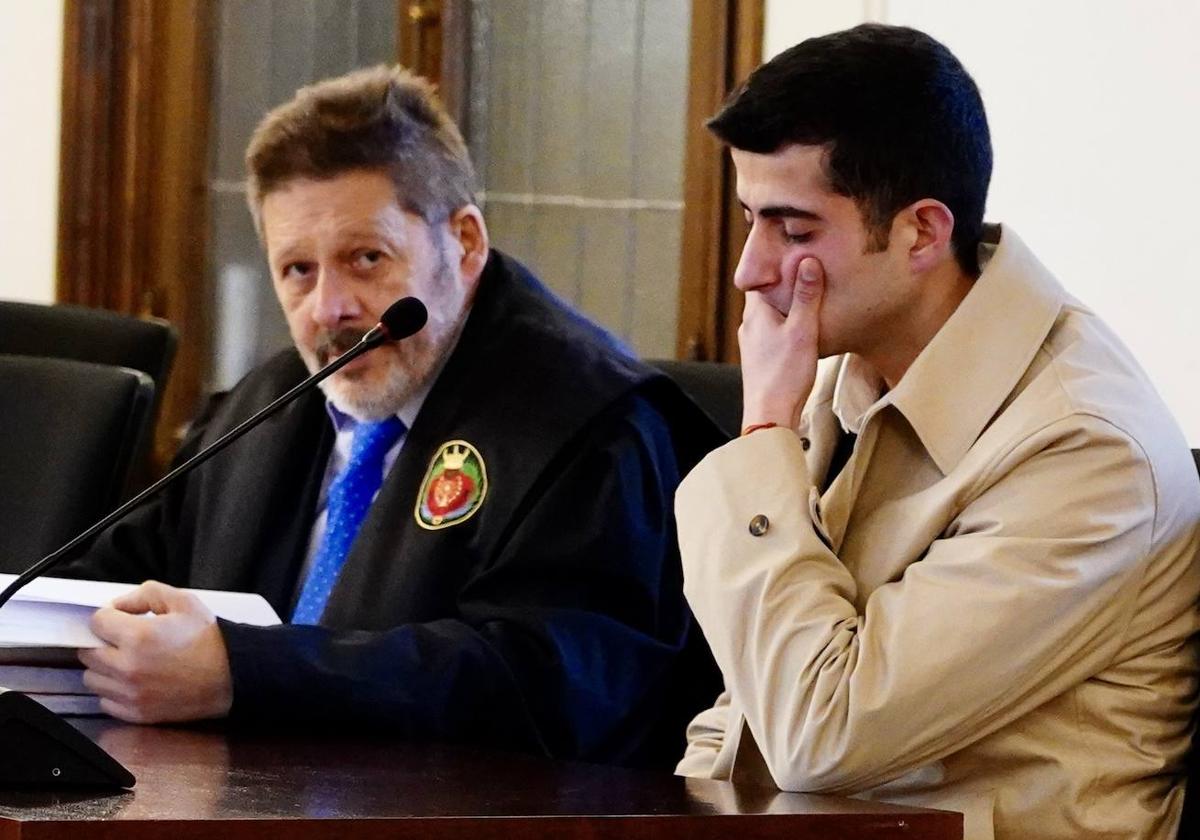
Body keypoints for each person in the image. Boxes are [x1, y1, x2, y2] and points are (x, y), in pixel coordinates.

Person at [63, 64, 722, 769]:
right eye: (297, 270)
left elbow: (553, 683)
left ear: (465, 242)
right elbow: (119, 574)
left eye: (366, 258)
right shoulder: (274, 399)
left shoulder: (593, 426)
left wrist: (249, 671)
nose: (329, 308)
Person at [673, 23, 1200, 840]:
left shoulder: (1089, 450)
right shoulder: (864, 367)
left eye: (794, 230)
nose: (750, 269)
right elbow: (747, 709)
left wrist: (762, 433)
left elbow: (822, 732)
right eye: (750, 219)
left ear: (922, 230)